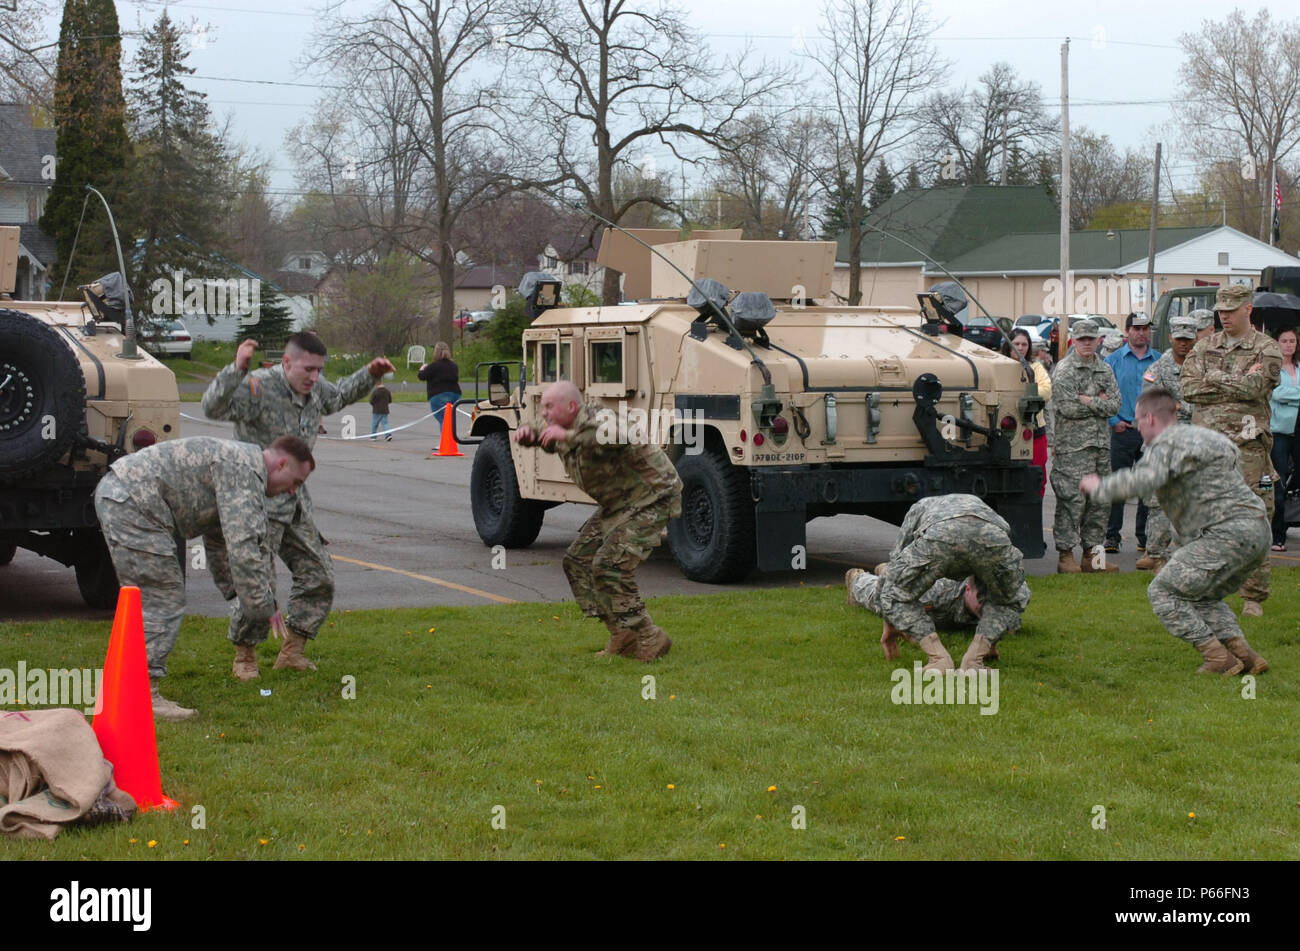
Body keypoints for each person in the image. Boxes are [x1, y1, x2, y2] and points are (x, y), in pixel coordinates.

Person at [202, 332, 395, 674]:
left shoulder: (316, 389)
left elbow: (337, 397)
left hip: (294, 502)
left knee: (319, 574)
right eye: (308, 369)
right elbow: (213, 407)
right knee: (259, 581)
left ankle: (292, 650)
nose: (314, 377)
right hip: (257, 502)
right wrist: (236, 369)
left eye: (319, 370)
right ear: (286, 362)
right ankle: (245, 657)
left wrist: (370, 374)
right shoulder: (259, 386)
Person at [93, 436, 316, 720]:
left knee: (143, 600)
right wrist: (263, 606)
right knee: (163, 599)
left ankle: (125, 687)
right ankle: (143, 696)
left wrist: (235, 591)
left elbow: (219, 540)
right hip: (134, 503)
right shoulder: (245, 471)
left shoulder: (240, 464)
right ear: (282, 464)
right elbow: (244, 548)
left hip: (123, 495)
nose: (290, 492)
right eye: (295, 482)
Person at [1081, 389, 1269, 675]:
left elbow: (1143, 480)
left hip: (1224, 535)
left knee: (1163, 591)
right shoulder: (1207, 436)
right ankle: (1246, 656)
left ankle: (1217, 658)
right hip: (1256, 531)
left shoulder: (1165, 444)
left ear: (1151, 418)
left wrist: (1100, 487)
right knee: (1201, 596)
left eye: (1138, 420)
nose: (1137, 427)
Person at [514, 380, 681, 662]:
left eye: (549, 407)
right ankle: (622, 634)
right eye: (542, 407)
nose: (544, 413)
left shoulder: (601, 420)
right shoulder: (560, 423)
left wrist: (568, 437)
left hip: (653, 495)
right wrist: (529, 433)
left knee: (610, 564)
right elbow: (542, 430)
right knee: (577, 560)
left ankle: (649, 635)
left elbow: (618, 435)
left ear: (571, 406)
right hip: (621, 502)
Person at [1181, 283, 1283, 617]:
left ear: (1247, 309)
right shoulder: (1205, 345)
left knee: (1256, 518)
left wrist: (1214, 377)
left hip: (1250, 452)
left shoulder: (1266, 348)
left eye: (1231, 310)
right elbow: (1189, 389)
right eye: (1220, 311)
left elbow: (1257, 389)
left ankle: (1253, 596)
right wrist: (1234, 380)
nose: (1224, 316)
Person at [855, 494, 1028, 672]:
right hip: (992, 537)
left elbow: (893, 571)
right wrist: (990, 640)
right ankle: (974, 662)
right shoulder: (984, 510)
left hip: (941, 537)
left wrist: (889, 619)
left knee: (895, 594)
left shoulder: (921, 507)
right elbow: (999, 580)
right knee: (1011, 595)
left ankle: (939, 659)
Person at [1049, 318, 1121, 573]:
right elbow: (1066, 407)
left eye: (1092, 338)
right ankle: (1066, 555)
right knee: (1073, 501)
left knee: (1100, 502)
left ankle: (1093, 555)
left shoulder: (1105, 370)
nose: (1088, 343)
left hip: (1100, 446)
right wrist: (1099, 402)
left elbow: (1115, 405)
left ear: (1099, 340)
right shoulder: (1065, 370)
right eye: (1082, 339)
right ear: (1074, 341)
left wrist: (1088, 401)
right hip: (1073, 448)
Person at [847, 569, 1031, 667]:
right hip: (930, 599)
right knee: (875, 596)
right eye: (982, 600)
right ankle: (858, 578)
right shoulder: (938, 591)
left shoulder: (1011, 595)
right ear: (968, 589)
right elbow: (891, 598)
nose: (989, 606)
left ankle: (885, 569)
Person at [1137, 316, 1198, 571]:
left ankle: (1190, 553)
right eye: (1179, 339)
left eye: (1188, 339)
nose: (1184, 344)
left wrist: (1182, 407)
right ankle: (1155, 552)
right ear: (1171, 338)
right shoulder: (1158, 369)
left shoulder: (1201, 367)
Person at [1104, 312, 1160, 554]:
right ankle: (1112, 536)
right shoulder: (1113, 361)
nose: (1141, 332)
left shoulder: (1159, 361)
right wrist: (1113, 420)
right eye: (1136, 328)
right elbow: (1101, 393)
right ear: (1127, 331)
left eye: (1146, 328)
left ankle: (1144, 536)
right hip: (1122, 429)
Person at [1268, 326, 1300, 550]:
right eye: (1285, 341)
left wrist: (1290, 398)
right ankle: (1277, 534)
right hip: (1278, 432)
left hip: (1298, 432)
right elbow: (1275, 393)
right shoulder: (1273, 368)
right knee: (1277, 483)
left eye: (1292, 341)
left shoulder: (1299, 367)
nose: (1289, 345)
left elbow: (1285, 396)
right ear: (1277, 343)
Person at [1011, 328, 1052, 497]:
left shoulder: (1035, 368)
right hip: (1009, 434)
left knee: (1037, 477)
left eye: (1024, 344)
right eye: (1016, 344)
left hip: (1035, 433)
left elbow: (1046, 390)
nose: (1020, 348)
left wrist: (1023, 396)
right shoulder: (997, 366)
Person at [418, 342, 461, 450]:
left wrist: (422, 368)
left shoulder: (434, 366)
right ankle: (450, 440)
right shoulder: (453, 366)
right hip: (455, 394)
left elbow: (422, 376)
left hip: (438, 394)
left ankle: (445, 443)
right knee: (449, 419)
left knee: (443, 419)